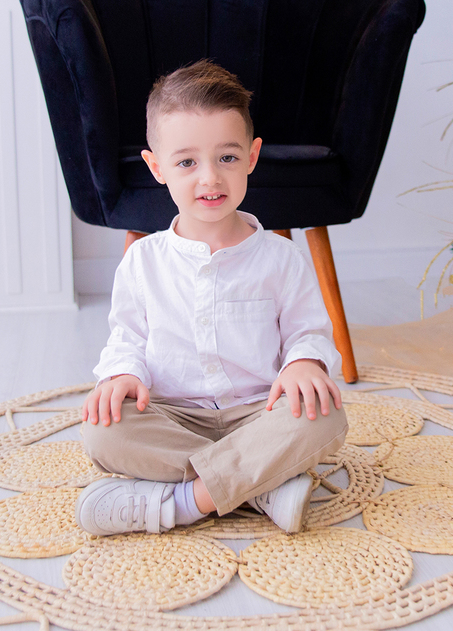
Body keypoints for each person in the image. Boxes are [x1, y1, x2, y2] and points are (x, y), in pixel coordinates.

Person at [75, 60, 348, 537]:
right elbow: (127, 339)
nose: (210, 178)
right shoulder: (143, 261)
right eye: (187, 162)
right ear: (157, 167)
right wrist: (122, 375)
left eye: (227, 158)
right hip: (172, 416)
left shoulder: (280, 257)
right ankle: (258, 485)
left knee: (325, 418)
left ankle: (182, 502)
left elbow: (308, 331)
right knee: (102, 429)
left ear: (252, 156)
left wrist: (305, 363)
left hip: (259, 413)